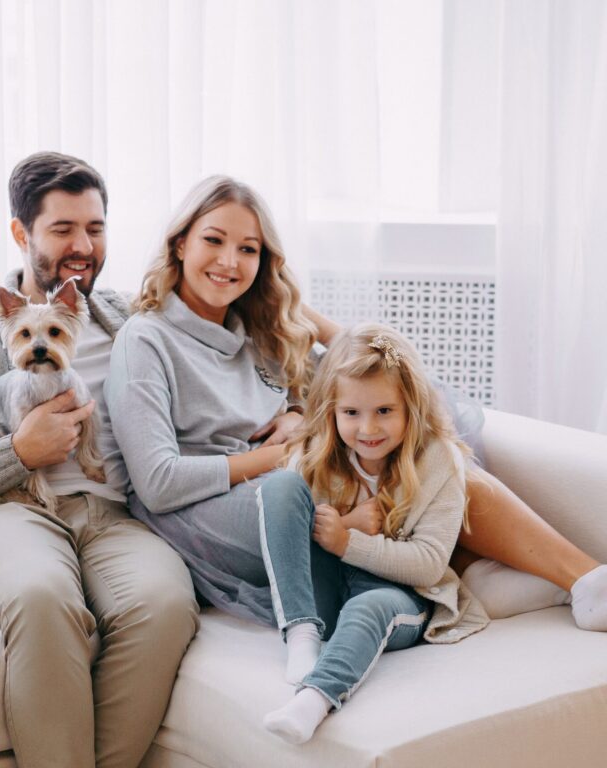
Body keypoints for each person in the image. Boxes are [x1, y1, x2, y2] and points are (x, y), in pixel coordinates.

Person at [104, 173, 607, 634]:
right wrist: (279, 454)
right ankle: (574, 578)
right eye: (213, 240)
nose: (230, 262)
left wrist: (288, 317)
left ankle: (551, 577)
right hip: (216, 511)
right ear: (180, 243)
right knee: (411, 466)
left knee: (422, 439)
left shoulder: (254, 330)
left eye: (249, 249)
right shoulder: (146, 338)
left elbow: (375, 375)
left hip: (289, 480)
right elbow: (158, 482)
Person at [0, 152, 199, 768]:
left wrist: (294, 409)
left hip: (114, 517)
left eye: (96, 228)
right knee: (41, 598)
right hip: (5, 514)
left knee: (165, 605)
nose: (83, 245)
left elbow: (240, 354)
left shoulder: (134, 321)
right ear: (20, 233)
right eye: (63, 229)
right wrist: (16, 452)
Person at [258, 324, 487, 744]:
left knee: (368, 606)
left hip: (401, 595)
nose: (368, 429)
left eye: (384, 411)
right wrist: (346, 527)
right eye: (351, 413)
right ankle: (302, 634)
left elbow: (429, 564)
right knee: (279, 487)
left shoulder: (439, 459)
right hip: (327, 591)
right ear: (332, 409)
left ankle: (313, 699)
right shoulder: (316, 452)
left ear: (410, 406)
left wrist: (349, 543)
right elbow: (289, 535)